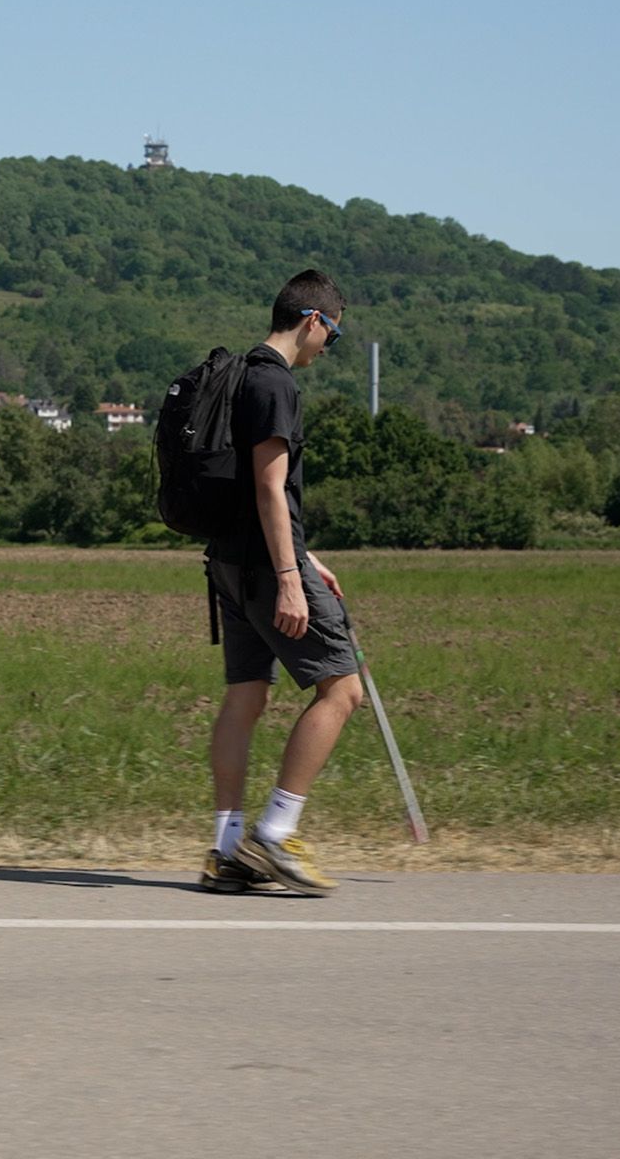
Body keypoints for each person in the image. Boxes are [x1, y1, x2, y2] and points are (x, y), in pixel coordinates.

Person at [199, 270, 364, 897]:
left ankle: (225, 852)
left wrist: (304, 554)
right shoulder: (275, 383)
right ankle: (275, 832)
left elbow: (251, 491)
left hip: (229, 562)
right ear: (312, 321)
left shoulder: (239, 375)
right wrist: (292, 577)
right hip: (269, 570)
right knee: (342, 690)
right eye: (333, 335)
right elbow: (271, 487)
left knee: (245, 697)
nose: (329, 347)